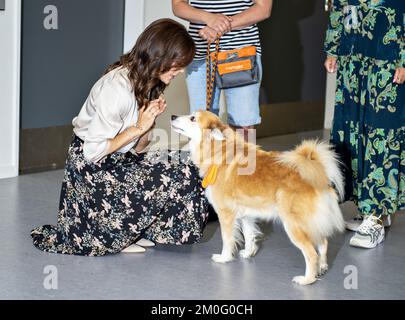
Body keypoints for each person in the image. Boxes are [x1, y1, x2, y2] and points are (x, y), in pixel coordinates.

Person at [31, 19, 210, 256]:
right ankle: (118, 234)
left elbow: (136, 151)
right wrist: (137, 127)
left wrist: (149, 123)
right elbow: (92, 152)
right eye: (178, 65)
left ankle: (139, 230)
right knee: (175, 173)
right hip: (92, 168)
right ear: (160, 56)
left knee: (187, 163)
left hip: (119, 158)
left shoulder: (149, 83)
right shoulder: (117, 88)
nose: (180, 71)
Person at [324, 0, 404, 248]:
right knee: (353, 134)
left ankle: (376, 215)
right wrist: (333, 48)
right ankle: (370, 209)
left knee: (380, 134)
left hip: (387, 61)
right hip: (352, 59)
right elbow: (339, 8)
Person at [172, 0, 272, 140]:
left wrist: (220, 26)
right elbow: (177, 5)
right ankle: (204, 162)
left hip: (240, 53)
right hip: (201, 52)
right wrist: (208, 18)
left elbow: (263, 8)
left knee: (243, 125)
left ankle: (242, 162)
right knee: (199, 123)